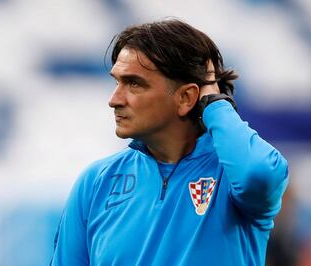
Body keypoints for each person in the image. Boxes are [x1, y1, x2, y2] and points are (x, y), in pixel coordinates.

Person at [51, 19, 289, 266]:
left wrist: (215, 104)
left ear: (186, 97)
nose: (114, 99)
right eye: (117, 82)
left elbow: (258, 174)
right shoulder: (96, 182)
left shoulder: (231, 175)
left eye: (134, 83)